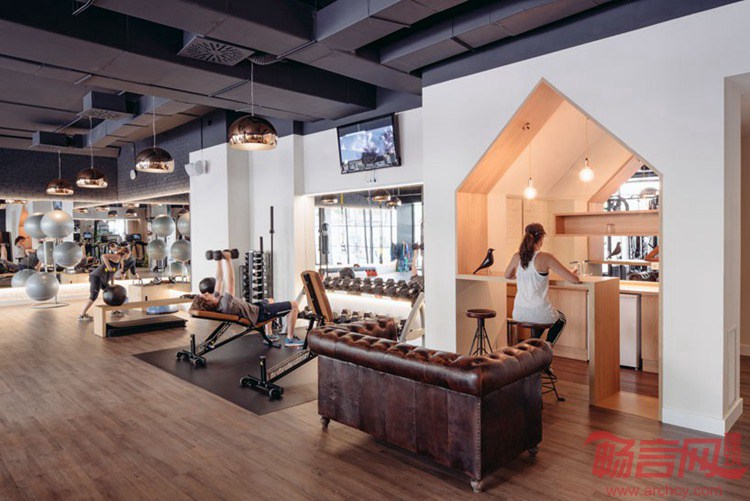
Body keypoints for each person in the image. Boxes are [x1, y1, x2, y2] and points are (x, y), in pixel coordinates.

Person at [190, 251, 303, 347]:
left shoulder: (216, 298)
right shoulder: (224, 305)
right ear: (208, 302)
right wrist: (228, 260)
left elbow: (219, 279)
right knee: (294, 305)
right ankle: (290, 339)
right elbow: (231, 282)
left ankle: (268, 334)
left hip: (254, 308)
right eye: (204, 295)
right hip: (260, 315)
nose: (206, 293)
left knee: (270, 300)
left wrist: (219, 260)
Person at [504, 223, 580, 345]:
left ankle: (533, 348)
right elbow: (574, 280)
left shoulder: (517, 256)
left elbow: (507, 275)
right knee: (561, 319)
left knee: (540, 317)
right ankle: (546, 348)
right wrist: (573, 273)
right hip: (539, 311)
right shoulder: (546, 257)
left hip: (519, 312)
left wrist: (519, 275)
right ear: (541, 238)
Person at [79, 247, 127, 321]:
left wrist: (112, 285)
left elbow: (112, 274)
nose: (128, 256)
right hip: (96, 276)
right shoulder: (117, 256)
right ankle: (82, 315)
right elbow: (104, 256)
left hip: (102, 279)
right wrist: (109, 267)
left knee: (113, 293)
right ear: (126, 253)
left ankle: (114, 311)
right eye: (129, 254)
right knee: (93, 296)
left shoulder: (119, 260)